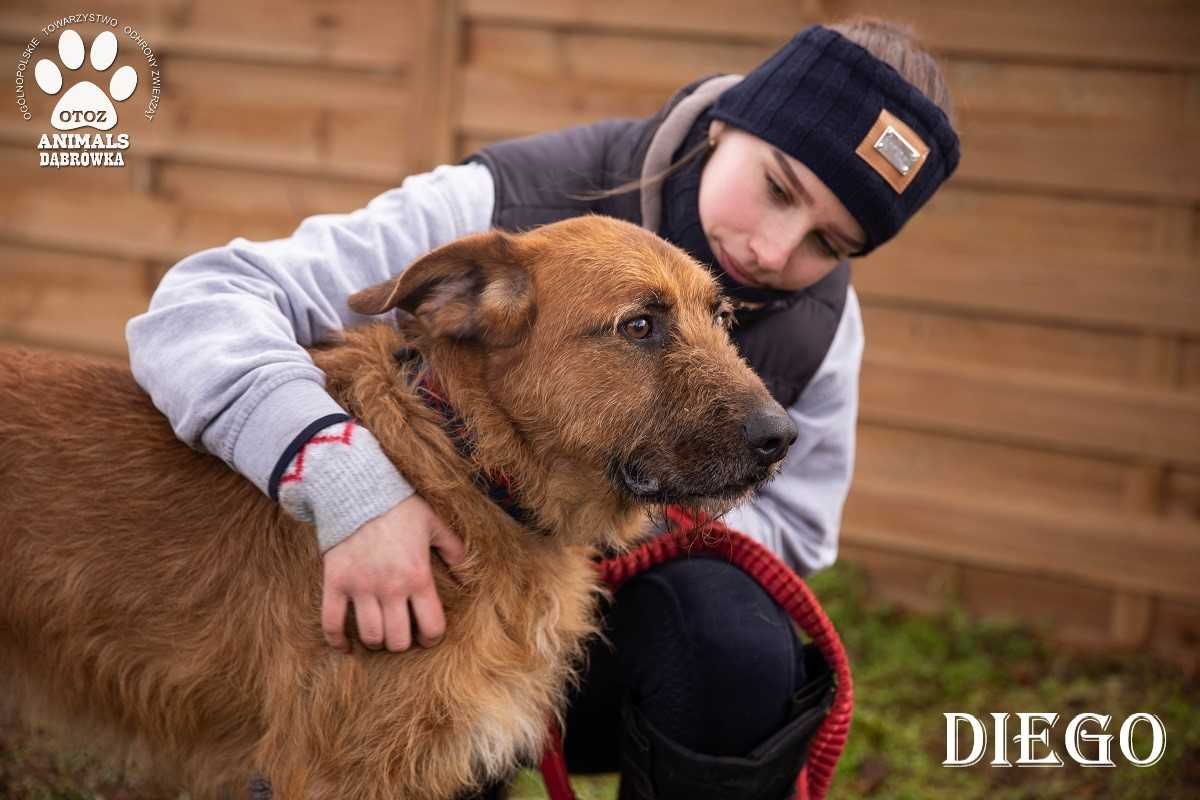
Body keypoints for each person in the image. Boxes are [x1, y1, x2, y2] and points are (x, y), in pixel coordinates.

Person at [126, 18, 959, 800]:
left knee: (738, 647)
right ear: (725, 128)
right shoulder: (498, 207)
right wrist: (344, 482)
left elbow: (800, 531)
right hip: (408, 549)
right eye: (778, 189)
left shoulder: (825, 325)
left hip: (603, 595)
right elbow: (203, 301)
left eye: (830, 245)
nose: (776, 252)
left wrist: (600, 521)